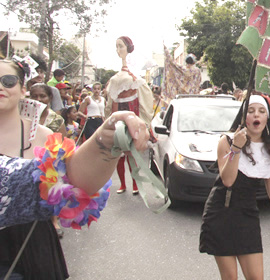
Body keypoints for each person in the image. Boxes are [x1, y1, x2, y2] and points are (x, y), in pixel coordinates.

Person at [0, 58, 150, 279]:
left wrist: (108, 135)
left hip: (31, 241)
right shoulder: (86, 99)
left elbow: (71, 179)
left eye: (7, 80)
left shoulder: (42, 135)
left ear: (22, 88)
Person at [199, 95, 270, 279]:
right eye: (250, 111)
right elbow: (227, 180)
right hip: (221, 212)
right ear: (244, 118)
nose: (256, 115)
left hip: (248, 214)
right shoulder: (226, 141)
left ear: (267, 118)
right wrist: (236, 148)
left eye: (261, 111)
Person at [105, 36, 154, 195]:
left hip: (132, 119)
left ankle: (135, 184)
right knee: (119, 155)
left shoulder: (135, 78)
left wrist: (145, 121)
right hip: (118, 119)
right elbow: (110, 103)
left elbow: (144, 100)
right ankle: (122, 184)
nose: (118, 50)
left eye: (121, 46)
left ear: (128, 48)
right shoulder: (115, 79)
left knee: (133, 154)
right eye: (117, 46)